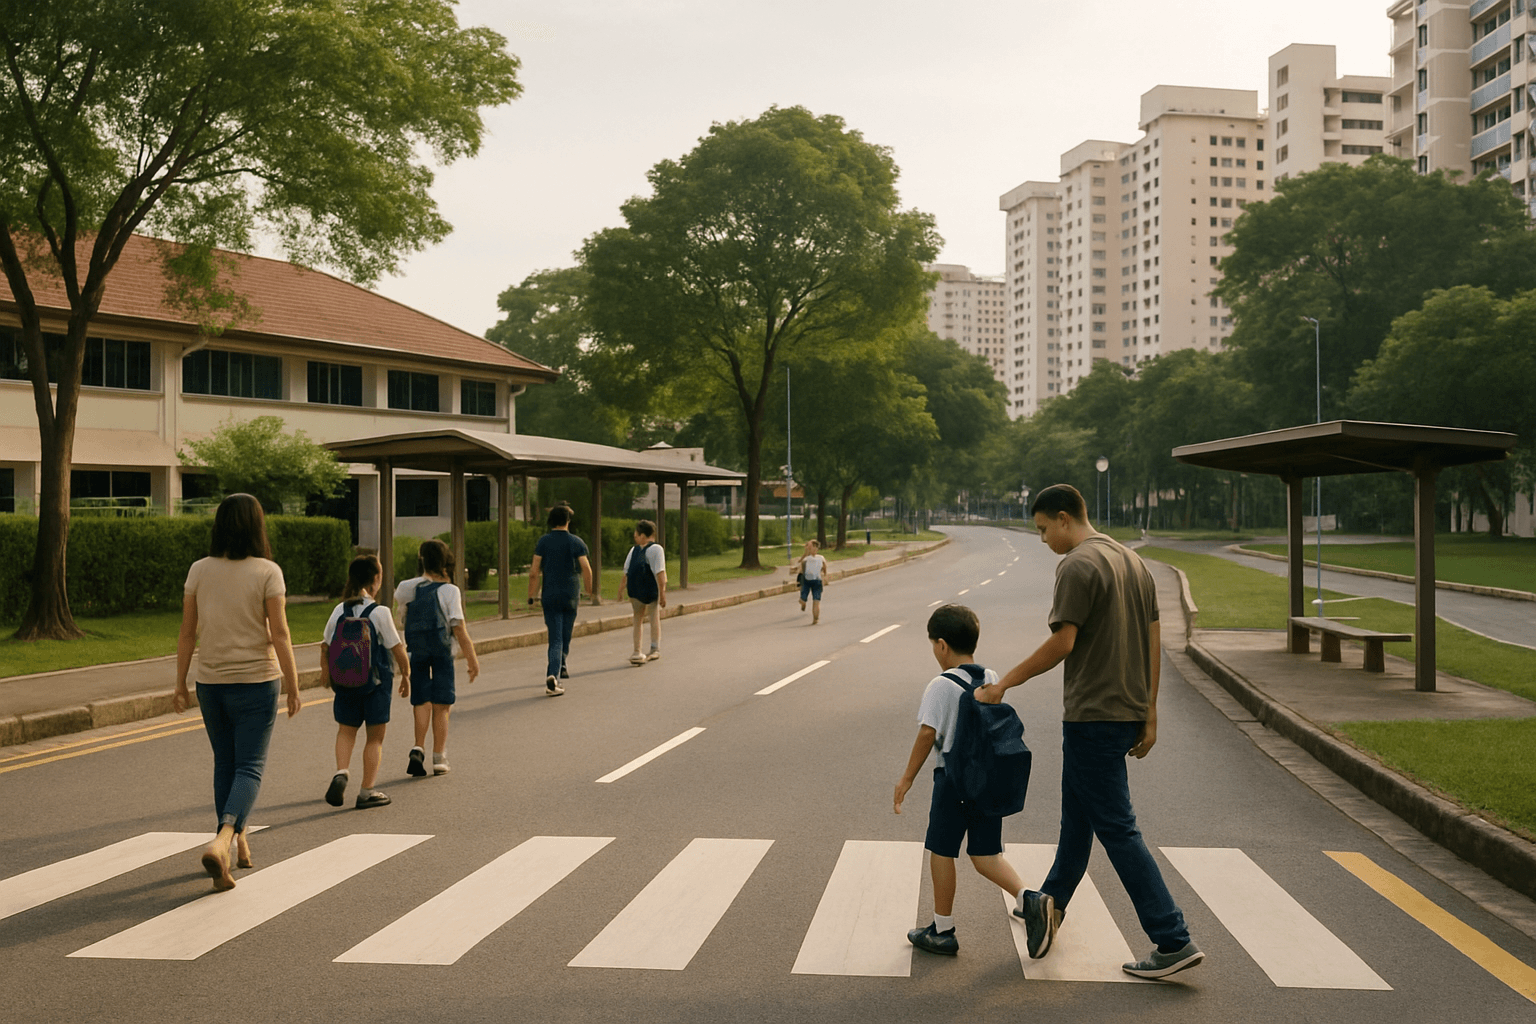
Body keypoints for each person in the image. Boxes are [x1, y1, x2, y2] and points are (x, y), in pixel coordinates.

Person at [975, 483, 1204, 980]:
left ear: (1064, 518)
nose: (1042, 540)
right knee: (1078, 822)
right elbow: (1153, 637)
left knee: (1118, 829)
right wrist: (1150, 711)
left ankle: (1172, 938)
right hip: (1124, 711)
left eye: (1041, 529)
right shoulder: (1131, 561)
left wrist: (1004, 685)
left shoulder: (1078, 565)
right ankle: (1049, 904)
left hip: (1092, 716)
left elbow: (1063, 641)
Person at [172, 493, 301, 892]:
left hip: (210, 682)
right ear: (257, 526)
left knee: (224, 765)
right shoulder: (268, 571)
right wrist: (295, 685)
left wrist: (179, 683)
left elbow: (187, 632)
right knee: (249, 766)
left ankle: (236, 849)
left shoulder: (199, 570)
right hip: (257, 681)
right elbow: (279, 633)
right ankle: (224, 838)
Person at [894, 604, 1031, 956]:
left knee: (941, 850)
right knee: (987, 854)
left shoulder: (940, 685)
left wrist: (906, 780)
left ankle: (943, 929)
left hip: (953, 780)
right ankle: (1030, 899)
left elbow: (928, 735)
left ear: (941, 645)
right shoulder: (989, 675)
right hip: (986, 778)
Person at [320, 554, 410, 809]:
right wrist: (406, 674)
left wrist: (325, 673)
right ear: (375, 579)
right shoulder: (380, 612)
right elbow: (396, 648)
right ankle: (367, 791)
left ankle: (341, 772)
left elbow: (325, 645)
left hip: (345, 682)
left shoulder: (340, 609)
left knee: (346, 731)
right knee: (375, 738)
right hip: (375, 684)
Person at [394, 539, 480, 776]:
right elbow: (459, 628)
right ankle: (439, 757)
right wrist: (472, 659)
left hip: (416, 650)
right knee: (442, 704)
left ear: (421, 560)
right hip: (442, 652)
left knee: (421, 700)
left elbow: (401, 615)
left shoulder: (405, 588)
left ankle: (418, 746)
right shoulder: (450, 591)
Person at [528, 504, 593, 695]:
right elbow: (586, 569)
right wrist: (589, 591)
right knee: (565, 634)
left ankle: (558, 667)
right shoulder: (576, 542)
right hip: (570, 595)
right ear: (568, 521)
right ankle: (554, 674)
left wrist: (531, 596)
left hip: (550, 595)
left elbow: (534, 572)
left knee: (555, 637)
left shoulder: (543, 542)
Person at [616, 519, 666, 665]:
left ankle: (637, 650)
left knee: (637, 619)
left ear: (643, 535)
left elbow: (626, 573)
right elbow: (660, 574)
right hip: (650, 590)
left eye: (636, 534)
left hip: (635, 590)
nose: (635, 537)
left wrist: (621, 590)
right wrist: (662, 593)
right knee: (653, 616)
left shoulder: (634, 550)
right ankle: (654, 648)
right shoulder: (657, 549)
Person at [795, 539, 828, 624]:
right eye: (812, 547)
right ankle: (803, 603)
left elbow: (825, 567)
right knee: (802, 599)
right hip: (806, 581)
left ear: (817, 548)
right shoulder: (806, 559)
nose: (813, 548)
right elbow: (801, 567)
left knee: (816, 601)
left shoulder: (821, 558)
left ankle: (815, 619)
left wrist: (825, 576)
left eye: (815, 547)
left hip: (817, 581)